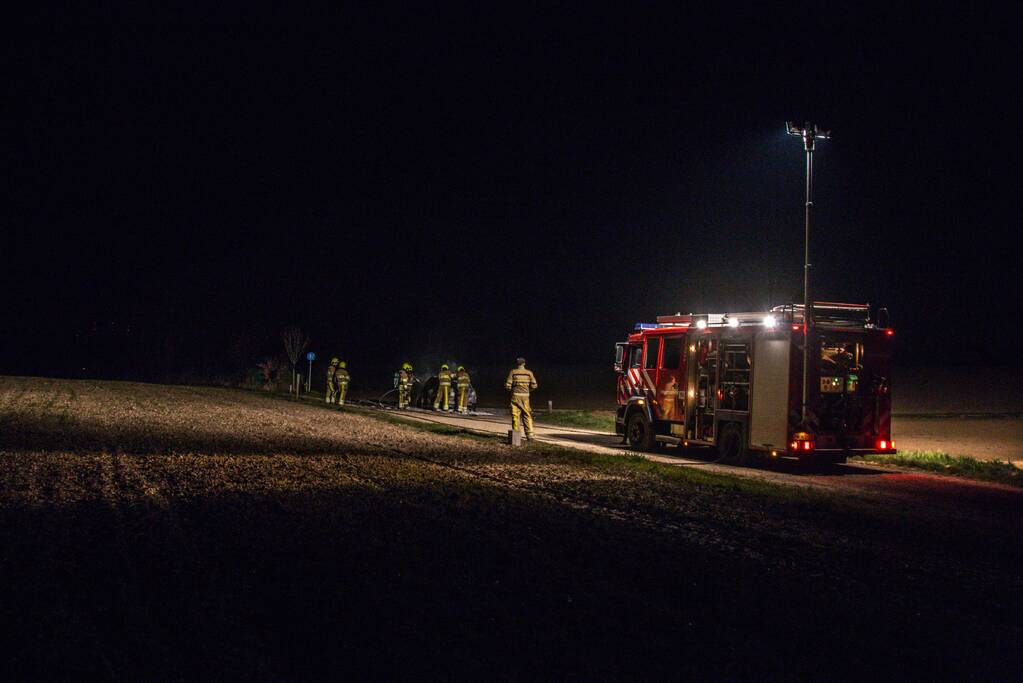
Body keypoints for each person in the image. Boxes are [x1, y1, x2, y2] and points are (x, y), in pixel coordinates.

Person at [505, 357, 538, 440]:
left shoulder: (513, 372)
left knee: (515, 416)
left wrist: (513, 390)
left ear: (517, 364)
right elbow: (534, 385)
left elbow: (508, 386)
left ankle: (516, 436)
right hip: (526, 397)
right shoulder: (529, 373)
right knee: (527, 415)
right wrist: (528, 390)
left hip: (515, 397)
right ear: (524, 363)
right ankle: (530, 435)